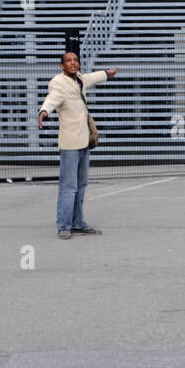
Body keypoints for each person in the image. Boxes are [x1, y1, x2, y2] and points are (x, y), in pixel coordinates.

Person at [38, 50, 116, 239]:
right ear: (62, 66)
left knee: (81, 185)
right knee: (68, 186)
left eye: (75, 60)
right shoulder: (58, 82)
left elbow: (92, 77)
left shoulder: (79, 79)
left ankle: (78, 222)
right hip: (70, 143)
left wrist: (106, 73)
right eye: (69, 61)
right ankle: (64, 226)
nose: (73, 63)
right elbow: (53, 98)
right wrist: (44, 111)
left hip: (83, 141)